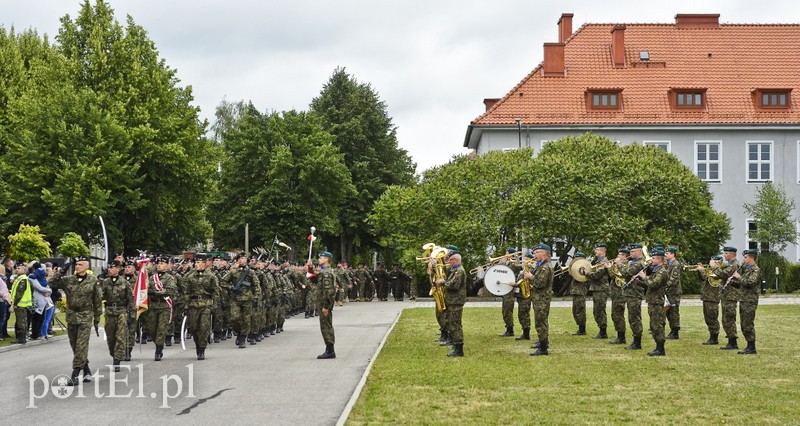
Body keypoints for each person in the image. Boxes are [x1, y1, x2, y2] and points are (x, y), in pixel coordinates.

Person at [50, 256, 102, 386]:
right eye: (76, 264)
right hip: (72, 315)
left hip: (85, 316)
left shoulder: (93, 281)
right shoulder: (69, 280)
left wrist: (97, 319)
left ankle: (75, 374)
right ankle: (86, 369)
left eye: (80, 264)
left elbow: (97, 301)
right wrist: (64, 268)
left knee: (81, 345)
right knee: (75, 345)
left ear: (87, 266)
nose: (77, 266)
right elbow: (51, 283)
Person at [182, 254, 220, 360]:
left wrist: (214, 306)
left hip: (206, 304)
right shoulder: (189, 276)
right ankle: (198, 344)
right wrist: (186, 306)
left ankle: (202, 349)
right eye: (195, 262)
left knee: (204, 328)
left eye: (198, 262)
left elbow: (216, 292)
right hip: (193, 305)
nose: (196, 264)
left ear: (204, 263)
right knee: (194, 328)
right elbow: (186, 292)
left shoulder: (211, 276)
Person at [99, 260, 133, 371]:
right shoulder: (105, 282)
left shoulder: (125, 283)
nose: (110, 270)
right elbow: (99, 295)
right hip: (109, 312)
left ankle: (117, 360)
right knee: (111, 337)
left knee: (120, 336)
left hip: (121, 311)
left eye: (112, 268)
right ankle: (114, 355)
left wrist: (132, 315)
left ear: (118, 269)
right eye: (109, 268)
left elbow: (130, 300)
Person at [635, 248, 669, 356]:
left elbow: (653, 284)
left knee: (657, 325)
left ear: (659, 259)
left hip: (657, 302)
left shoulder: (662, 272)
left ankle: (660, 349)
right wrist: (639, 282)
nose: (651, 260)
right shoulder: (656, 270)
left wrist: (644, 277)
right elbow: (649, 284)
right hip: (653, 301)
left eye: (653, 258)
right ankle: (658, 347)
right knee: (653, 325)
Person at [222, 254, 257, 348]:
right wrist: (232, 288)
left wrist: (256, 298)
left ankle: (242, 338)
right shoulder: (233, 272)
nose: (242, 260)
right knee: (234, 318)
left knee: (246, 320)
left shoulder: (251, 272)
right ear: (237, 260)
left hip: (247, 299)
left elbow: (256, 285)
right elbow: (223, 282)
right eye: (240, 258)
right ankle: (238, 332)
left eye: (244, 258)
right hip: (235, 299)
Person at [436, 249, 466, 357]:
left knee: (455, 324)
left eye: (451, 260)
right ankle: (455, 344)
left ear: (456, 260)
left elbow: (454, 285)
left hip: (456, 301)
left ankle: (459, 349)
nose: (449, 261)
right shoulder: (455, 270)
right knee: (452, 323)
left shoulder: (459, 271)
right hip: (452, 301)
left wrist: (443, 283)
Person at [307, 251, 337, 359]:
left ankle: (330, 351)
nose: (319, 259)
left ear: (326, 259)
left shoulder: (327, 273)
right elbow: (314, 280)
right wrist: (310, 268)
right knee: (325, 326)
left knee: (326, 326)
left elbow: (329, 291)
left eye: (321, 258)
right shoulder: (323, 271)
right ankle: (329, 349)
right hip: (322, 303)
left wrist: (326, 306)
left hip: (324, 304)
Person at [526, 244, 554, 356]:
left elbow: (540, 283)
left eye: (537, 252)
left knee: (541, 322)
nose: (534, 255)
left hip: (542, 298)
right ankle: (543, 343)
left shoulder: (545, 267)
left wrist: (530, 277)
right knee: (541, 321)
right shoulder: (541, 265)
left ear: (544, 253)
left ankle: (543, 348)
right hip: (539, 298)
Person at [147, 256, 177, 360]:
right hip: (153, 306)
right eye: (158, 263)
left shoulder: (169, 278)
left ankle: (158, 350)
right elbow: (146, 289)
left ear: (167, 265)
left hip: (164, 307)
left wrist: (157, 292)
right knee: (152, 329)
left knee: (161, 329)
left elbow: (170, 290)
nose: (159, 265)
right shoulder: (152, 278)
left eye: (162, 263)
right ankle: (158, 344)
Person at [617, 243, 646, 350]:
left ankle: (637, 342)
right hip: (630, 293)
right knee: (632, 317)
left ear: (639, 252)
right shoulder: (633, 262)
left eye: (633, 251)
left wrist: (619, 264)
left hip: (635, 293)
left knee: (635, 318)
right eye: (631, 251)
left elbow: (627, 273)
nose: (630, 253)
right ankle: (635, 341)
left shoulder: (638, 264)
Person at [712, 247, 740, 350]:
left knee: (729, 318)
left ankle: (733, 342)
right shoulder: (730, 264)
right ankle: (731, 341)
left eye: (726, 253)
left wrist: (714, 267)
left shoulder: (734, 265)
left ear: (732, 254)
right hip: (727, 295)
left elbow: (723, 274)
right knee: (726, 319)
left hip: (730, 296)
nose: (724, 255)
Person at [735, 249, 761, 355]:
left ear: (752, 258)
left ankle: (751, 347)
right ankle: (749, 345)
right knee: (744, 324)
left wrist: (739, 277)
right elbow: (742, 284)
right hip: (744, 299)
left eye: (745, 257)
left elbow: (750, 283)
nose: (743, 259)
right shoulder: (747, 269)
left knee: (748, 324)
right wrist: (732, 282)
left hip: (750, 300)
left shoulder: (755, 270)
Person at [585, 243, 610, 339]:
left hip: (601, 289)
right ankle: (602, 330)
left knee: (599, 310)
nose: (595, 251)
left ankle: (603, 332)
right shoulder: (598, 261)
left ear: (603, 251)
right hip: (597, 288)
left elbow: (596, 275)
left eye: (597, 249)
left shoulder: (604, 262)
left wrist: (586, 273)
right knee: (597, 310)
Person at [697, 255, 723, 345]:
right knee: (707, 318)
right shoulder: (711, 270)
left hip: (713, 297)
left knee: (712, 318)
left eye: (712, 261)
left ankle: (714, 337)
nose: (710, 263)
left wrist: (702, 270)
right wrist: (699, 271)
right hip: (707, 297)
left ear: (717, 262)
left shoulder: (719, 271)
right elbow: (703, 278)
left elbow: (708, 277)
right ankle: (712, 336)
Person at [28, 264, 53, 341]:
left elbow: (47, 287)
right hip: (37, 300)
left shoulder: (42, 278)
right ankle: (35, 334)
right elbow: (39, 288)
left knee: (42, 318)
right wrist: (49, 290)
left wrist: (48, 291)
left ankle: (40, 333)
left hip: (44, 301)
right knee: (36, 318)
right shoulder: (32, 278)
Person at [10, 262, 32, 345]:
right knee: (21, 321)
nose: (17, 270)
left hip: (20, 304)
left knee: (21, 322)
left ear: (23, 270)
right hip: (20, 304)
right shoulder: (19, 278)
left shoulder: (23, 279)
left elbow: (19, 293)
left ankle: (21, 338)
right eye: (16, 268)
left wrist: (15, 303)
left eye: (19, 268)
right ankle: (21, 338)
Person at [498, 247, 519, 337]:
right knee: (504, 311)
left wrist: (503, 264)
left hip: (510, 289)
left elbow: (508, 272)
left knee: (507, 310)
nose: (505, 255)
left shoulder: (514, 263)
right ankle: (508, 328)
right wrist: (500, 264)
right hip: (505, 288)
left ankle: (510, 330)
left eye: (507, 253)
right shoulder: (508, 263)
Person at [569, 251, 589, 336]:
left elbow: (582, 278)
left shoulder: (585, 268)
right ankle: (580, 328)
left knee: (580, 310)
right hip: (575, 291)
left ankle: (582, 329)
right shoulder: (576, 268)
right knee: (575, 310)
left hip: (580, 291)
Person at [664, 247, 682, 339]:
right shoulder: (668, 263)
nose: (665, 255)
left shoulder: (675, 264)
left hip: (674, 292)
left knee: (674, 312)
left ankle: (675, 331)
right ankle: (672, 330)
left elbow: (673, 278)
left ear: (672, 254)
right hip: (668, 291)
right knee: (668, 311)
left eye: (667, 253)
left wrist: (665, 286)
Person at [0, 265, 10, 341]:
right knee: (1, 318)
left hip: (3, 300)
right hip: (1, 300)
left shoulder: (2, 278)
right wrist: (4, 295)